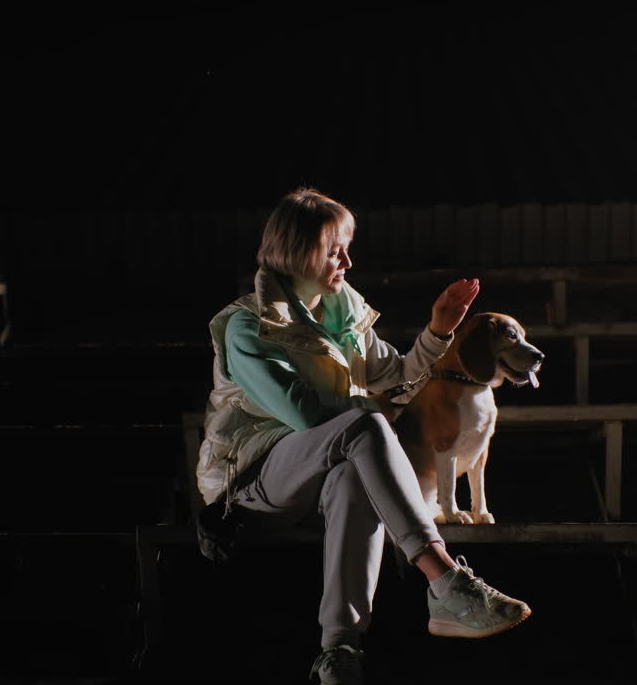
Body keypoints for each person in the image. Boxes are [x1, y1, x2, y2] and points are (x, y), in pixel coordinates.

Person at [196, 187, 531, 684]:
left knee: (356, 480)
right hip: (251, 481)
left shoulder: (342, 311)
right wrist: (373, 410)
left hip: (324, 468)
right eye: (336, 250)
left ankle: (339, 651)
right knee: (362, 425)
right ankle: (446, 581)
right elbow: (308, 416)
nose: (348, 262)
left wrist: (437, 333)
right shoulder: (249, 327)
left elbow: (393, 376)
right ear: (300, 251)